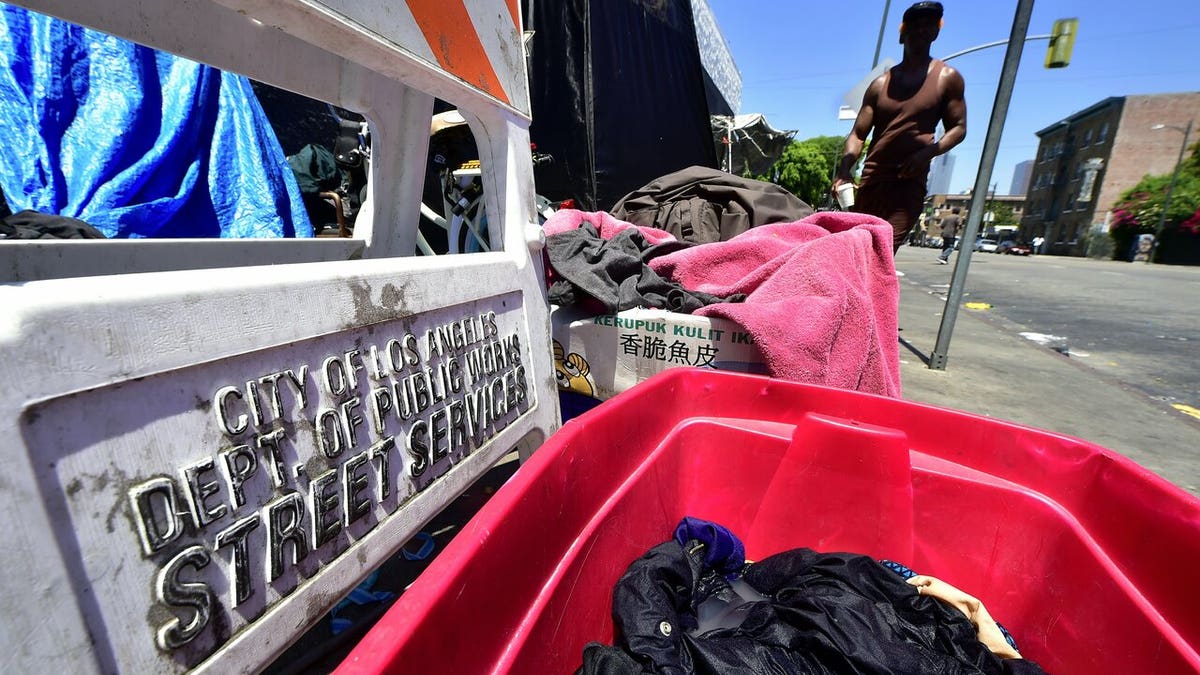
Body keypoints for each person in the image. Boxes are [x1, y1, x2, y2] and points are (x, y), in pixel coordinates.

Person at [833, 1, 967, 253]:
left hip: (908, 184)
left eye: (929, 24)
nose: (922, 30)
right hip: (871, 182)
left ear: (937, 31)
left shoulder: (947, 78)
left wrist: (927, 152)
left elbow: (958, 128)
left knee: (882, 253)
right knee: (856, 251)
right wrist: (843, 171)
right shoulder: (880, 84)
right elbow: (858, 133)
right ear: (902, 32)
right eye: (915, 24)